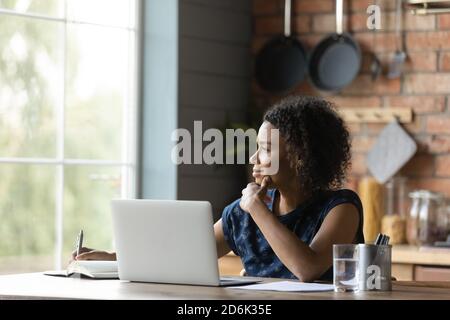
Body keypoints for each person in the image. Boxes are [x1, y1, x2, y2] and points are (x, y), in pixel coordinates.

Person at [73, 96, 364, 282]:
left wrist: (257, 209)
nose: (253, 159)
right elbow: (181, 255)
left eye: (264, 149)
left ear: (300, 157)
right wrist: (113, 258)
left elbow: (308, 269)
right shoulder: (242, 214)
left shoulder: (340, 208)